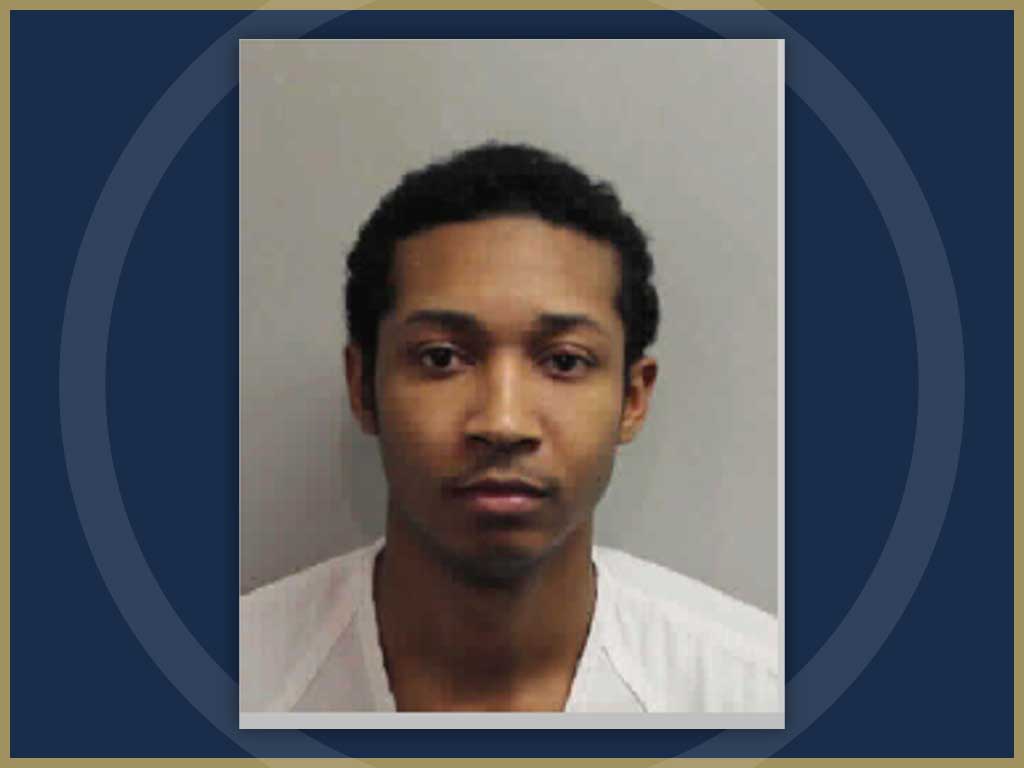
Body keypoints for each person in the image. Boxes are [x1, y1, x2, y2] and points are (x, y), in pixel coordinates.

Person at [240, 143, 778, 713]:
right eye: (441, 358)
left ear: (632, 398)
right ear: (362, 386)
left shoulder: (759, 696)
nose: (503, 422)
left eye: (565, 361)